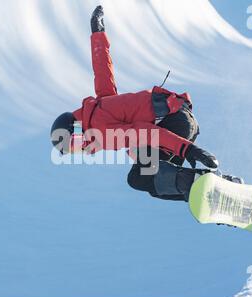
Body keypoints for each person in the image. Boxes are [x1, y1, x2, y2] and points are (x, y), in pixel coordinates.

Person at [51, 6, 240, 202]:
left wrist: (189, 150)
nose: (81, 149)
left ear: (78, 129)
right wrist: (97, 33)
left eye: (75, 143)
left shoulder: (101, 130)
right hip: (180, 119)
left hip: (172, 125)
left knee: (139, 179)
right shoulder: (101, 106)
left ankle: (206, 191)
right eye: (72, 150)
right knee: (154, 177)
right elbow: (102, 69)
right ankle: (216, 188)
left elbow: (147, 132)